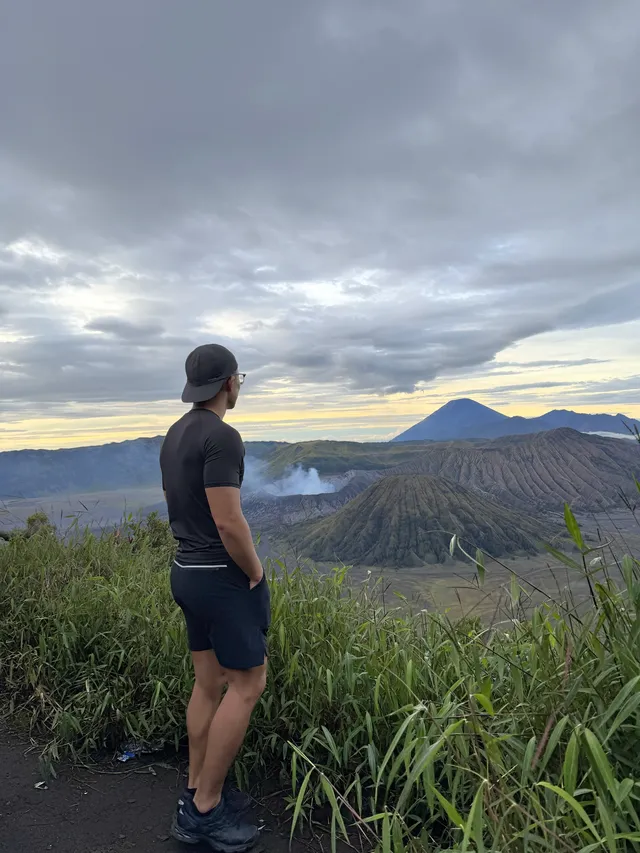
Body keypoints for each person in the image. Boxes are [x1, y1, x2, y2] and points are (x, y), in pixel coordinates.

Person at [160, 343, 270, 852]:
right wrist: (254, 570)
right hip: (220, 577)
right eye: (239, 379)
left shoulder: (176, 433)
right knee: (247, 683)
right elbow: (228, 520)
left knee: (208, 683)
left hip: (185, 571)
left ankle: (194, 789)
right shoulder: (223, 437)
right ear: (229, 384)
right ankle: (206, 808)